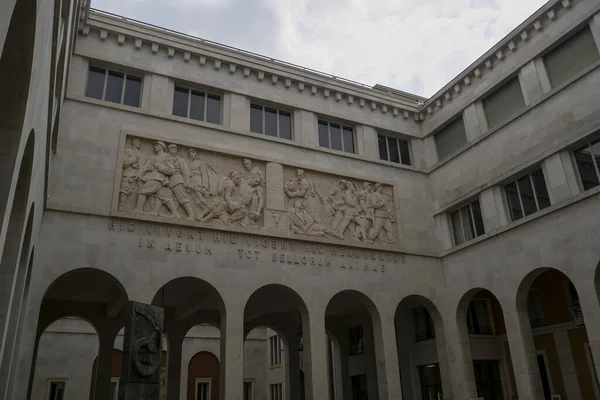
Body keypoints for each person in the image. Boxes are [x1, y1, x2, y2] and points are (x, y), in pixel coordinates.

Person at [132, 141, 178, 217]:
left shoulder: (166, 156)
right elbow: (144, 167)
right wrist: (138, 174)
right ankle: (175, 213)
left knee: (142, 191)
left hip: (158, 178)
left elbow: (171, 170)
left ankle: (139, 209)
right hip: (151, 177)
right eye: (155, 146)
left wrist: (159, 166)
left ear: (161, 147)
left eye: (156, 145)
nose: (155, 147)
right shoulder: (151, 157)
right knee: (163, 196)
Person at [167, 143, 195, 220]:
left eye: (176, 149)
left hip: (177, 180)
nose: (175, 150)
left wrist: (186, 183)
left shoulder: (180, 160)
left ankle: (191, 215)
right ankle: (175, 214)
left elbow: (186, 172)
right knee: (173, 198)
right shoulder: (167, 159)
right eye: (173, 149)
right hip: (169, 182)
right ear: (169, 150)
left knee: (182, 197)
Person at [118, 137, 141, 211]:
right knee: (125, 188)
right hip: (129, 173)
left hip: (138, 174)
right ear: (133, 142)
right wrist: (133, 160)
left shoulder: (139, 153)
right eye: (137, 141)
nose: (139, 143)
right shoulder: (128, 151)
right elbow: (124, 163)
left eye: (140, 141)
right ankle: (121, 206)